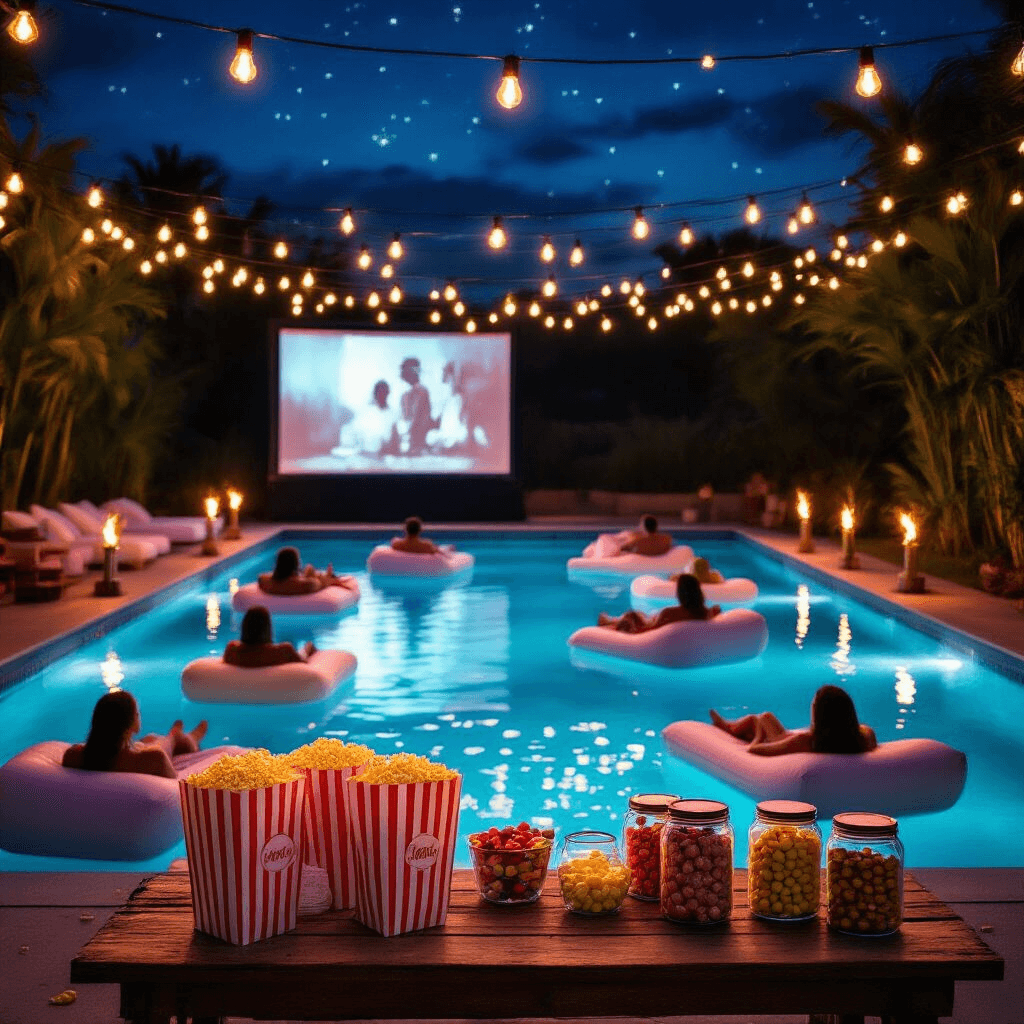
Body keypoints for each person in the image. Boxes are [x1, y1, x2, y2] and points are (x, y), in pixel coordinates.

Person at [61, 690, 207, 780]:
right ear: (130, 724)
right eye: (137, 714)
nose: (139, 716)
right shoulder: (155, 758)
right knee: (171, 739)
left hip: (126, 749)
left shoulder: (72, 755)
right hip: (144, 754)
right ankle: (189, 736)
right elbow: (176, 786)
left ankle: (178, 733)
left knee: (149, 738)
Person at [709, 684, 878, 756]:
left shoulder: (807, 740)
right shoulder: (865, 735)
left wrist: (759, 735)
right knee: (765, 717)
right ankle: (728, 726)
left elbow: (754, 750)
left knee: (758, 720)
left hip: (781, 742)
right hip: (795, 737)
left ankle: (728, 728)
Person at [598, 573, 720, 634]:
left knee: (632, 615)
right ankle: (612, 620)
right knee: (640, 614)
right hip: (662, 624)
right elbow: (716, 610)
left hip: (648, 632)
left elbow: (651, 632)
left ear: (680, 594)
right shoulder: (704, 612)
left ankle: (609, 622)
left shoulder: (670, 613)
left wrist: (631, 622)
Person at [223, 606, 315, 668]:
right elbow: (304, 666)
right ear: (267, 627)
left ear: (245, 626)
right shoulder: (284, 650)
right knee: (309, 646)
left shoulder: (232, 649)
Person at [258, 546, 355, 596]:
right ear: (296, 564)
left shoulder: (265, 581)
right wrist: (327, 577)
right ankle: (329, 574)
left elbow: (265, 576)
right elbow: (323, 583)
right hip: (304, 582)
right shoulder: (307, 585)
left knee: (309, 569)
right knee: (310, 569)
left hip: (288, 577)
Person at [340, 380, 399, 457]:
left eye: (384, 393)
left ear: (388, 394)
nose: (382, 396)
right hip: (366, 457)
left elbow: (395, 441)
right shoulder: (365, 413)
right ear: (375, 394)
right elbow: (353, 437)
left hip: (386, 458)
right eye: (380, 393)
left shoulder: (392, 415)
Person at [398, 357, 433, 456]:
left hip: (416, 445)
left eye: (404, 369)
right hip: (411, 444)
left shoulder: (420, 392)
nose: (402, 373)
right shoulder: (406, 395)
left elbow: (417, 420)